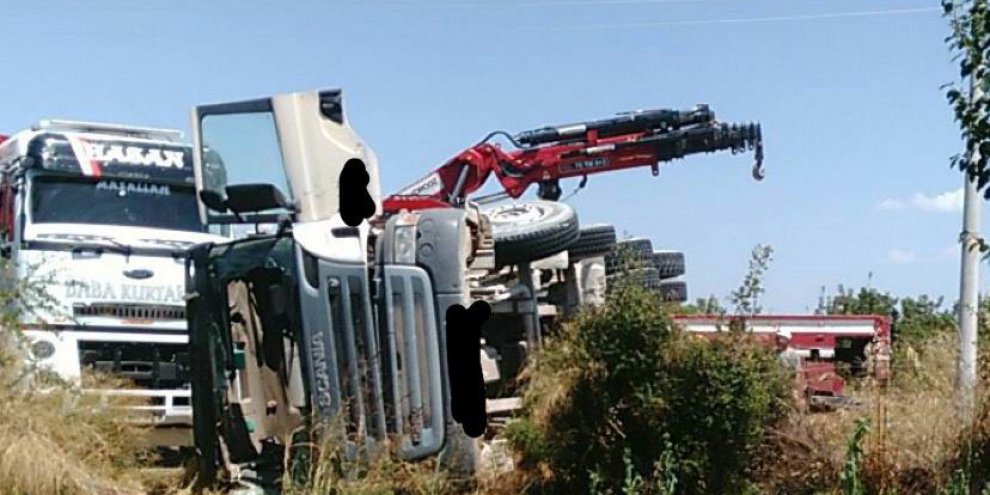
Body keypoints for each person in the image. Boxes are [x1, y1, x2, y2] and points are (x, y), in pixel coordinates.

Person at [775, 328, 807, 412]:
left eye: (780, 338)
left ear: (786, 340)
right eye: (777, 338)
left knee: (794, 400)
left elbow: (796, 370)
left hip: (788, 381)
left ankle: (799, 417)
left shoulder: (792, 353)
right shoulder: (775, 353)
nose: (778, 341)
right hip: (777, 381)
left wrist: (795, 382)